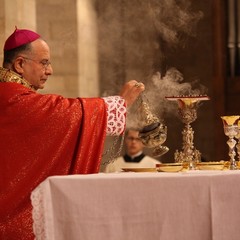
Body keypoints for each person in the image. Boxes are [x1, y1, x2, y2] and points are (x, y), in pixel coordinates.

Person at [0, 27, 145, 239]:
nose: (50, 70)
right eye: (44, 62)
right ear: (20, 64)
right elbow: (63, 112)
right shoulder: (13, 99)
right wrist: (119, 104)